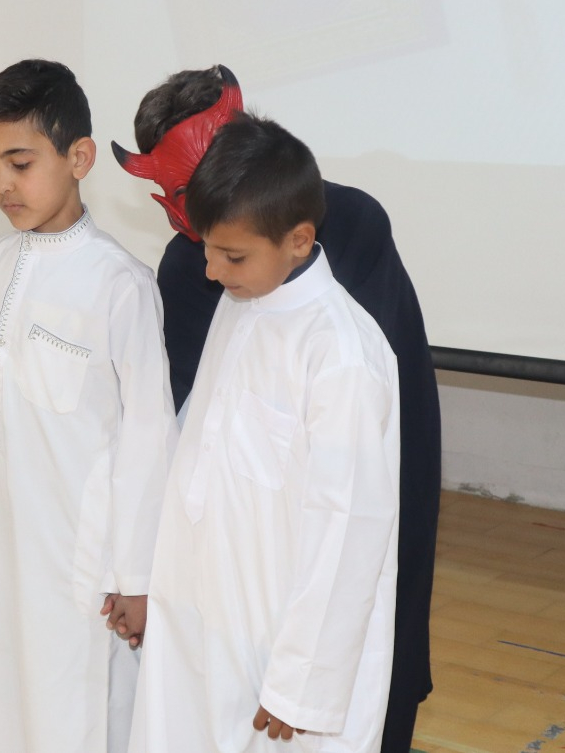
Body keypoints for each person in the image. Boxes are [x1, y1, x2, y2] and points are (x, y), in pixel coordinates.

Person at [115, 66, 440, 751]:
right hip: (208, 605)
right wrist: (147, 577)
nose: (213, 269)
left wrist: (304, 678)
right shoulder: (229, 289)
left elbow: (349, 517)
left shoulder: (340, 342)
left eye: (230, 254)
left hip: (288, 613)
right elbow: (187, 440)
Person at [0, 60, 177, 753]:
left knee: (71, 712)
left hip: (77, 561)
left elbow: (149, 438)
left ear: (79, 158)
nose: (2, 185)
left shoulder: (120, 283)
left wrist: (136, 575)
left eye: (20, 164)